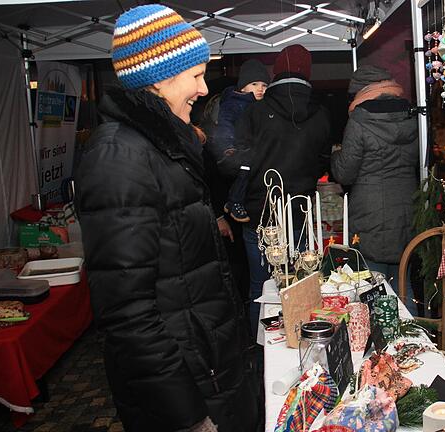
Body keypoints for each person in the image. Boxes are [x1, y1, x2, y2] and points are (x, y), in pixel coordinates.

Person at [75, 5, 257, 431]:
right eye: (195, 75)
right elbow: (126, 312)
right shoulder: (119, 155)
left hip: (208, 372)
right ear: (158, 78)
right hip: (186, 393)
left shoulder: (164, 145)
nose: (203, 86)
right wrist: (189, 417)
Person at [232, 44, 331, 333]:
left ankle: (263, 356)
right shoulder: (322, 113)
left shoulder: (255, 111)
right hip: (299, 213)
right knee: (300, 286)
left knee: (261, 288)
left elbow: (239, 160)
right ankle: (298, 343)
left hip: (259, 214)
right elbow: (324, 163)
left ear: (276, 73)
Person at [330, 65, 419, 294]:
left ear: (361, 91)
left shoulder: (360, 120)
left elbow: (344, 173)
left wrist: (336, 154)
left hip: (370, 215)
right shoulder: (411, 115)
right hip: (407, 209)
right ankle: (411, 329)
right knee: (403, 284)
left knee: (371, 287)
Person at [204, 59, 270, 222]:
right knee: (246, 171)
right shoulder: (235, 103)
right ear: (243, 86)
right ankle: (234, 202)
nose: (260, 89)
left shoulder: (257, 105)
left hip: (246, 149)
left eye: (264, 85)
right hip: (235, 151)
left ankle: (233, 202)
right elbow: (225, 125)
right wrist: (228, 147)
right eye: (254, 84)